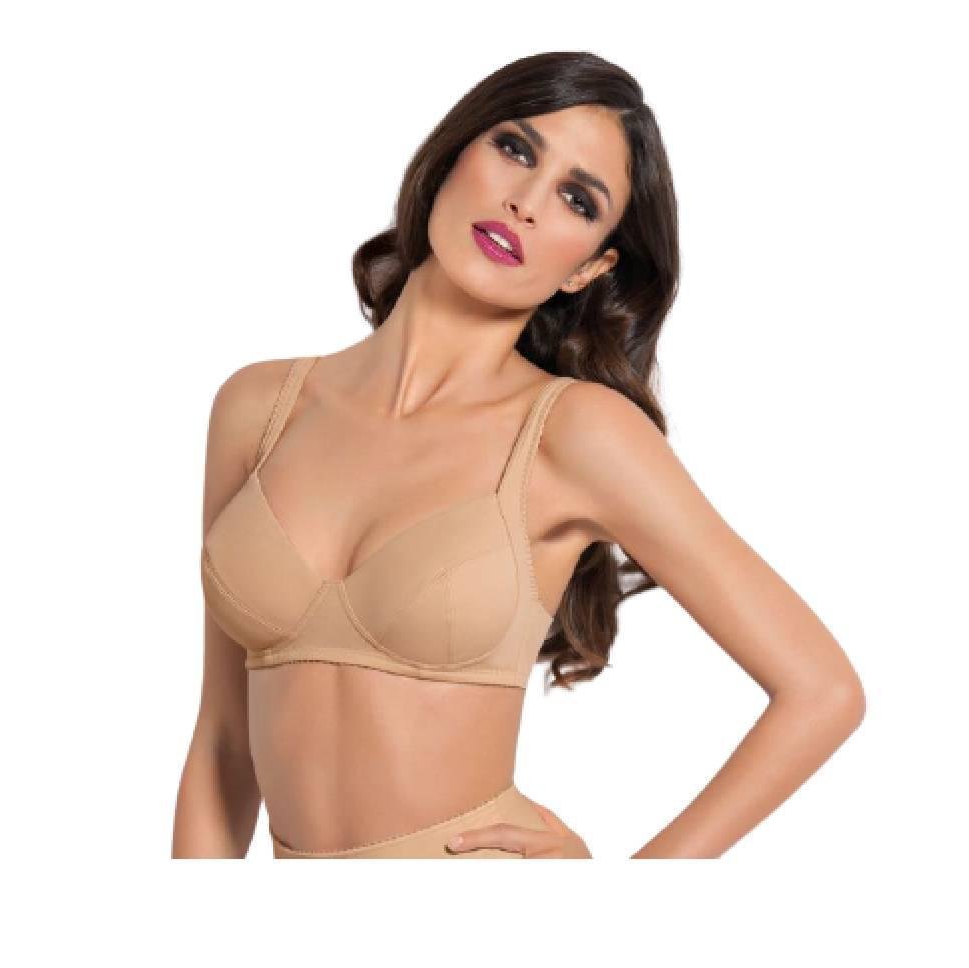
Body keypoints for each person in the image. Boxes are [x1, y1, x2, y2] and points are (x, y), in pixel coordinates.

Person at [171, 50, 865, 859]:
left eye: (577, 198)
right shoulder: (259, 407)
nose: (526, 203)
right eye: (514, 149)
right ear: (450, 156)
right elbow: (223, 746)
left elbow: (822, 692)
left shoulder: (578, 433)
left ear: (591, 266)